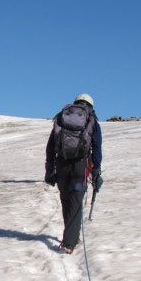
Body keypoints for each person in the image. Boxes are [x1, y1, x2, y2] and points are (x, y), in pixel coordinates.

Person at [45, 94, 103, 254]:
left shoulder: (61, 117)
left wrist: (49, 170)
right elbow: (97, 148)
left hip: (61, 163)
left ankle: (71, 236)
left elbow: (50, 146)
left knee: (66, 199)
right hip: (80, 166)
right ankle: (70, 242)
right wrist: (96, 170)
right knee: (76, 202)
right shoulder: (91, 120)